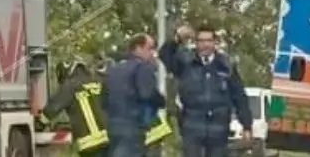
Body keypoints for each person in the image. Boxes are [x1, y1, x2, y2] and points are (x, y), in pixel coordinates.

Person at [160, 24, 252, 157]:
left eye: (208, 41)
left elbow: (239, 96)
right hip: (192, 125)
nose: (205, 45)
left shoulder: (226, 65)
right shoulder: (185, 62)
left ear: (215, 43)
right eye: (201, 41)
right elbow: (164, 55)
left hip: (218, 127)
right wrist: (177, 38)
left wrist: (247, 125)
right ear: (196, 43)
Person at [103, 34, 166, 157]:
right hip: (133, 127)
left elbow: (104, 99)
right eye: (150, 48)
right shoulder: (142, 67)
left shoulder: (113, 69)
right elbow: (147, 94)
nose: (153, 53)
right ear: (138, 48)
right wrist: (161, 101)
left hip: (112, 128)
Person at [42, 60, 110, 156]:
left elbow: (53, 108)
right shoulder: (97, 82)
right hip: (106, 139)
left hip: (88, 144)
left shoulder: (70, 85)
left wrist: (40, 122)